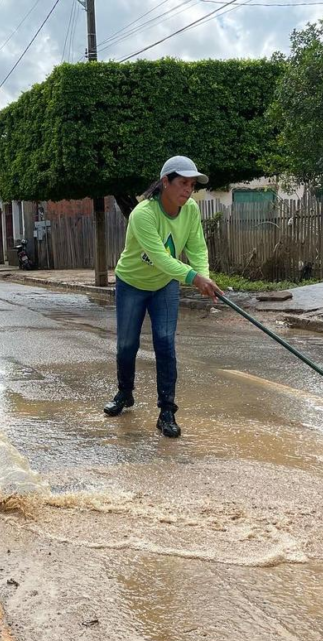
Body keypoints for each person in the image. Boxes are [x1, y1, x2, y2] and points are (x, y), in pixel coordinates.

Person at [103, 156, 222, 438]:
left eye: (192, 185)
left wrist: (202, 275)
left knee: (165, 343)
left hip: (165, 284)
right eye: (183, 183)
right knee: (127, 344)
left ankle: (167, 411)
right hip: (132, 282)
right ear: (165, 182)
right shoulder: (143, 214)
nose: (188, 190)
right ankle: (124, 393)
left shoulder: (190, 209)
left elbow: (196, 247)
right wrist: (193, 278)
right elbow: (159, 257)